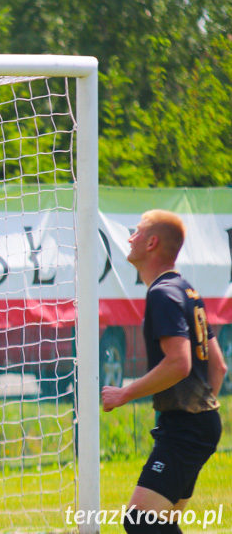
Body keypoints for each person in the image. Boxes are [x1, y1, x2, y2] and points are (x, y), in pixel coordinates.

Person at [102, 210, 228, 534]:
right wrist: (198, 411)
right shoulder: (187, 291)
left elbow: (179, 362)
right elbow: (218, 366)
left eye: (137, 232)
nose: (130, 238)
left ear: (152, 242)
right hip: (199, 424)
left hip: (186, 428)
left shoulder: (162, 293)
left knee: (139, 519)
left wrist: (124, 393)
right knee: (159, 522)